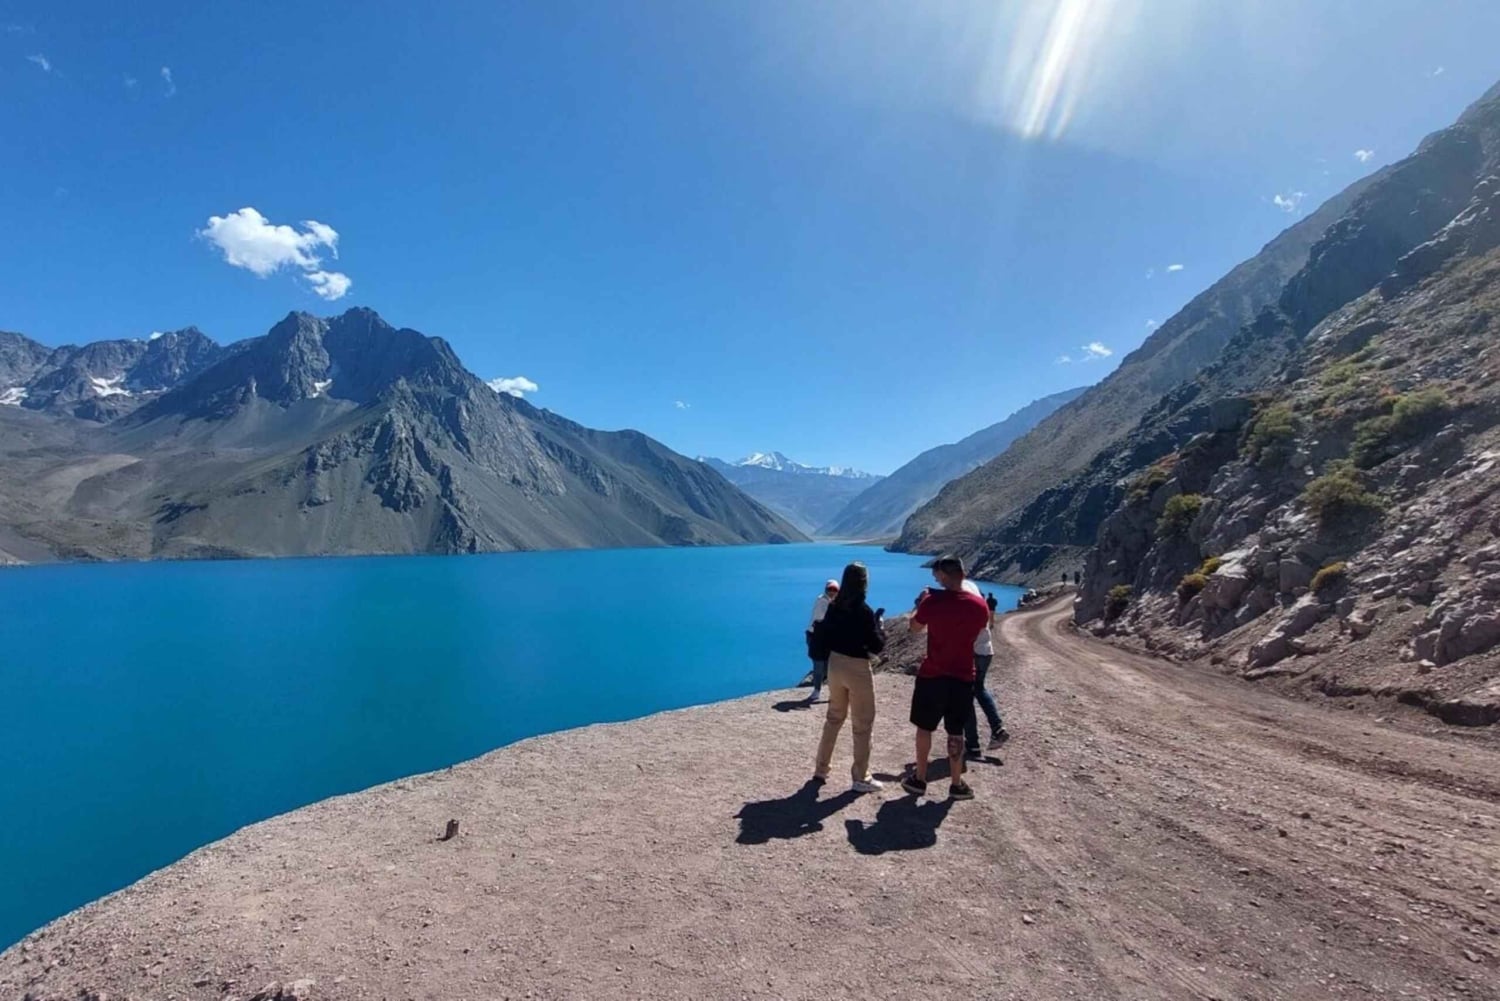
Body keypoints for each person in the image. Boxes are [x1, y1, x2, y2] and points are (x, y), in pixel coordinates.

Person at [902, 556, 991, 801]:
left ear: (942, 576)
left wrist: (920, 603)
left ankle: (919, 779)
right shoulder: (979, 606)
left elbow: (915, 627)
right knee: (956, 731)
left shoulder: (932, 602)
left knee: (924, 727)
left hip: (933, 675)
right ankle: (956, 783)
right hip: (962, 676)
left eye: (936, 576)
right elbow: (980, 630)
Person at [812, 562, 887, 794]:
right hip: (857, 667)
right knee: (862, 724)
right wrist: (879, 627)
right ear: (864, 582)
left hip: (835, 665)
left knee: (834, 717)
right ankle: (860, 777)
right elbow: (876, 645)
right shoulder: (864, 611)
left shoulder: (835, 606)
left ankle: (821, 769)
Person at [961, 583, 1009, 756]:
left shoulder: (962, 597)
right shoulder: (977, 597)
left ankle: (972, 744)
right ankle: (997, 728)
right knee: (979, 688)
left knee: (965, 697)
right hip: (985, 651)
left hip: (971, 653)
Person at [804, 579, 839, 703]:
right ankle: (817, 691)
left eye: (834, 590)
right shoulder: (822, 601)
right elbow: (821, 619)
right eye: (830, 589)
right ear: (826, 589)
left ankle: (832, 692)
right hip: (816, 636)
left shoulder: (834, 603)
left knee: (828, 666)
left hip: (826, 638)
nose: (832, 592)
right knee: (819, 664)